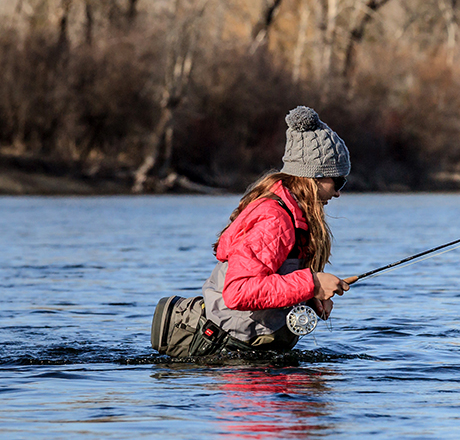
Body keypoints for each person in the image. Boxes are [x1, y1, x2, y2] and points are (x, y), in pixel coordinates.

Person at [151, 106, 353, 359]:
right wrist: (311, 284)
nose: (338, 193)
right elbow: (239, 291)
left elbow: (274, 279)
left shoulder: (293, 216)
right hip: (229, 357)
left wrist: (309, 297)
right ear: (314, 176)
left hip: (250, 357)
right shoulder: (275, 219)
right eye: (339, 181)